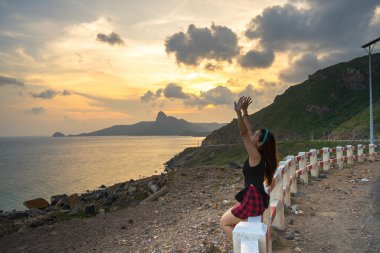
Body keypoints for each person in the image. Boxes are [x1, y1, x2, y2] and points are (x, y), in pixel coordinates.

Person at [220, 96, 279, 238]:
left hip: (252, 202)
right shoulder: (259, 153)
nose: (252, 136)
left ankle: (241, 244)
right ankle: (243, 241)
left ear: (259, 144)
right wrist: (246, 112)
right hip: (254, 200)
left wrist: (238, 113)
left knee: (223, 222)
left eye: (256, 136)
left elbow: (244, 133)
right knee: (226, 216)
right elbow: (249, 131)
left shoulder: (255, 156)